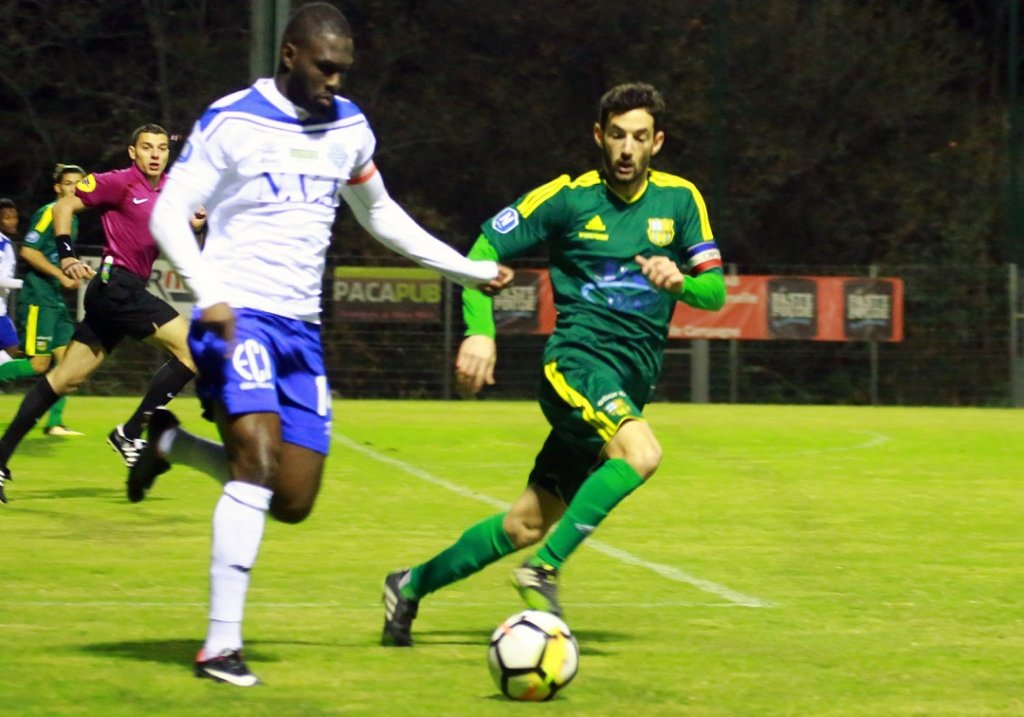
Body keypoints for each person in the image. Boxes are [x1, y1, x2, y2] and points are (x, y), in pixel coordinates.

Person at [137, 1, 512, 687]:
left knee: (294, 497)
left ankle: (167, 443)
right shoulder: (231, 120)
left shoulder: (350, 128)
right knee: (254, 458)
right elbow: (168, 207)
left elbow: (384, 218)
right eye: (324, 68)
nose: (333, 82)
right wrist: (207, 289)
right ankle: (220, 646)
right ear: (290, 56)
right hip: (237, 314)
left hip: (300, 332)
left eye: (342, 71)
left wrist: (471, 269)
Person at [379, 82, 728, 647]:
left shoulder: (682, 200)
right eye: (617, 135)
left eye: (639, 137)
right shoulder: (567, 199)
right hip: (576, 365)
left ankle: (410, 585)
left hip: (628, 383)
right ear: (599, 135)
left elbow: (716, 293)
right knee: (641, 453)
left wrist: (682, 282)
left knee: (525, 523)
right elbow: (483, 250)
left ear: (657, 142)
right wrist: (480, 331)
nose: (626, 148)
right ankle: (544, 570)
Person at [0, 125, 203, 503]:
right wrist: (67, 254)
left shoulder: (171, 188)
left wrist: (197, 223)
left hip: (120, 292)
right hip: (117, 287)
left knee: (63, 379)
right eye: (147, 148)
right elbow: (64, 206)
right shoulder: (119, 182)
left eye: (161, 148)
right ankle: (129, 432)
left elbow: (184, 228)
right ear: (133, 152)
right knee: (192, 350)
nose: (155, 154)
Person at [0, 165, 92, 436]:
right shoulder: (49, 212)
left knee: (68, 366)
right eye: (68, 183)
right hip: (39, 297)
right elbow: (29, 251)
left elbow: (58, 258)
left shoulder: (72, 219)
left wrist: (74, 272)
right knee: (39, 364)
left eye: (79, 183)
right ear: (58, 187)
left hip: (55, 299)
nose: (74, 188)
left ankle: (54, 423)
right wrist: (60, 276)